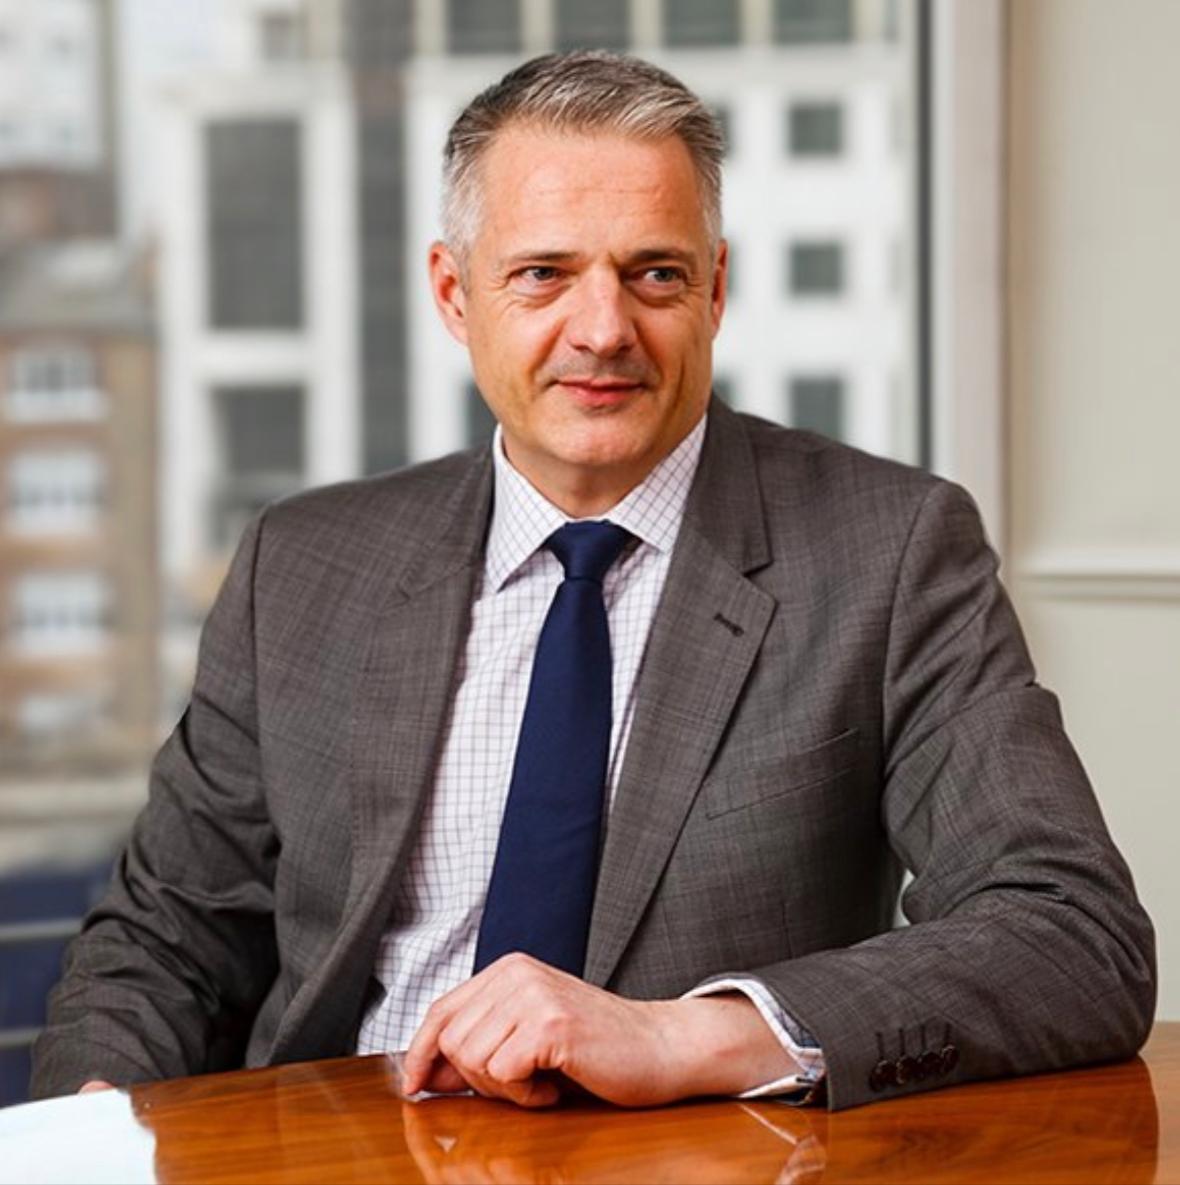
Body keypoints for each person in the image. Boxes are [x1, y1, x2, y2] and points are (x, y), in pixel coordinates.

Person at [32, 51, 1154, 1111]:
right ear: (454, 294)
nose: (604, 329)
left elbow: (1071, 933)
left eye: (654, 274)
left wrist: (684, 1035)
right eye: (544, 275)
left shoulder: (890, 551)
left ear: (716, 290)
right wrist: (89, 1132)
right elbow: (164, 940)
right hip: (334, 1146)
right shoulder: (304, 565)